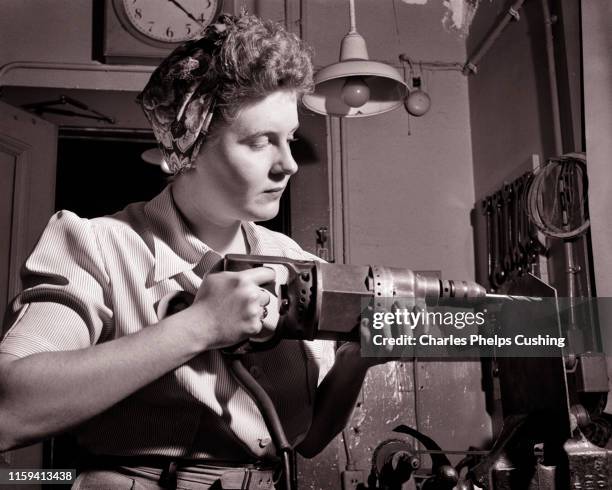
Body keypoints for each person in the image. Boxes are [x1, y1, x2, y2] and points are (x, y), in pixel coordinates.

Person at [0, 12, 381, 490]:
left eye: (290, 140)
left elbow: (304, 441)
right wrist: (198, 327)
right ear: (191, 147)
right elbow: (9, 412)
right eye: (261, 141)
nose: (288, 164)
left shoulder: (296, 264)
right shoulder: (94, 246)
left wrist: (356, 359)